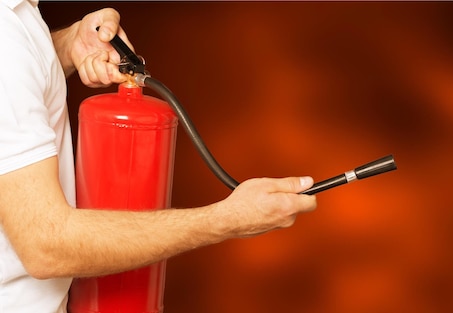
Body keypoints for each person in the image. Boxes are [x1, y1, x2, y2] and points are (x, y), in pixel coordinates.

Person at [0, 2, 317, 312]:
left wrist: (68, 44)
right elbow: (46, 244)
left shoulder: (18, 20)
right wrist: (228, 219)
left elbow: (18, 77)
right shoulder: (6, 34)